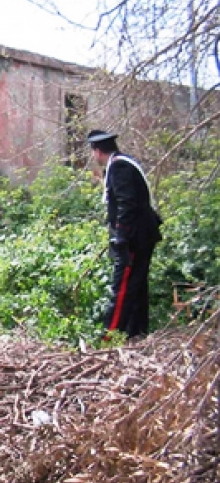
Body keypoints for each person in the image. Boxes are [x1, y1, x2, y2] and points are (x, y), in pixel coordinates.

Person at [88, 130, 162, 341]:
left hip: (133, 238)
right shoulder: (125, 162)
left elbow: (126, 202)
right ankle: (135, 333)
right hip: (142, 235)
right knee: (137, 287)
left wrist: (120, 235)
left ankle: (109, 337)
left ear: (98, 151)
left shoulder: (119, 167)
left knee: (121, 287)